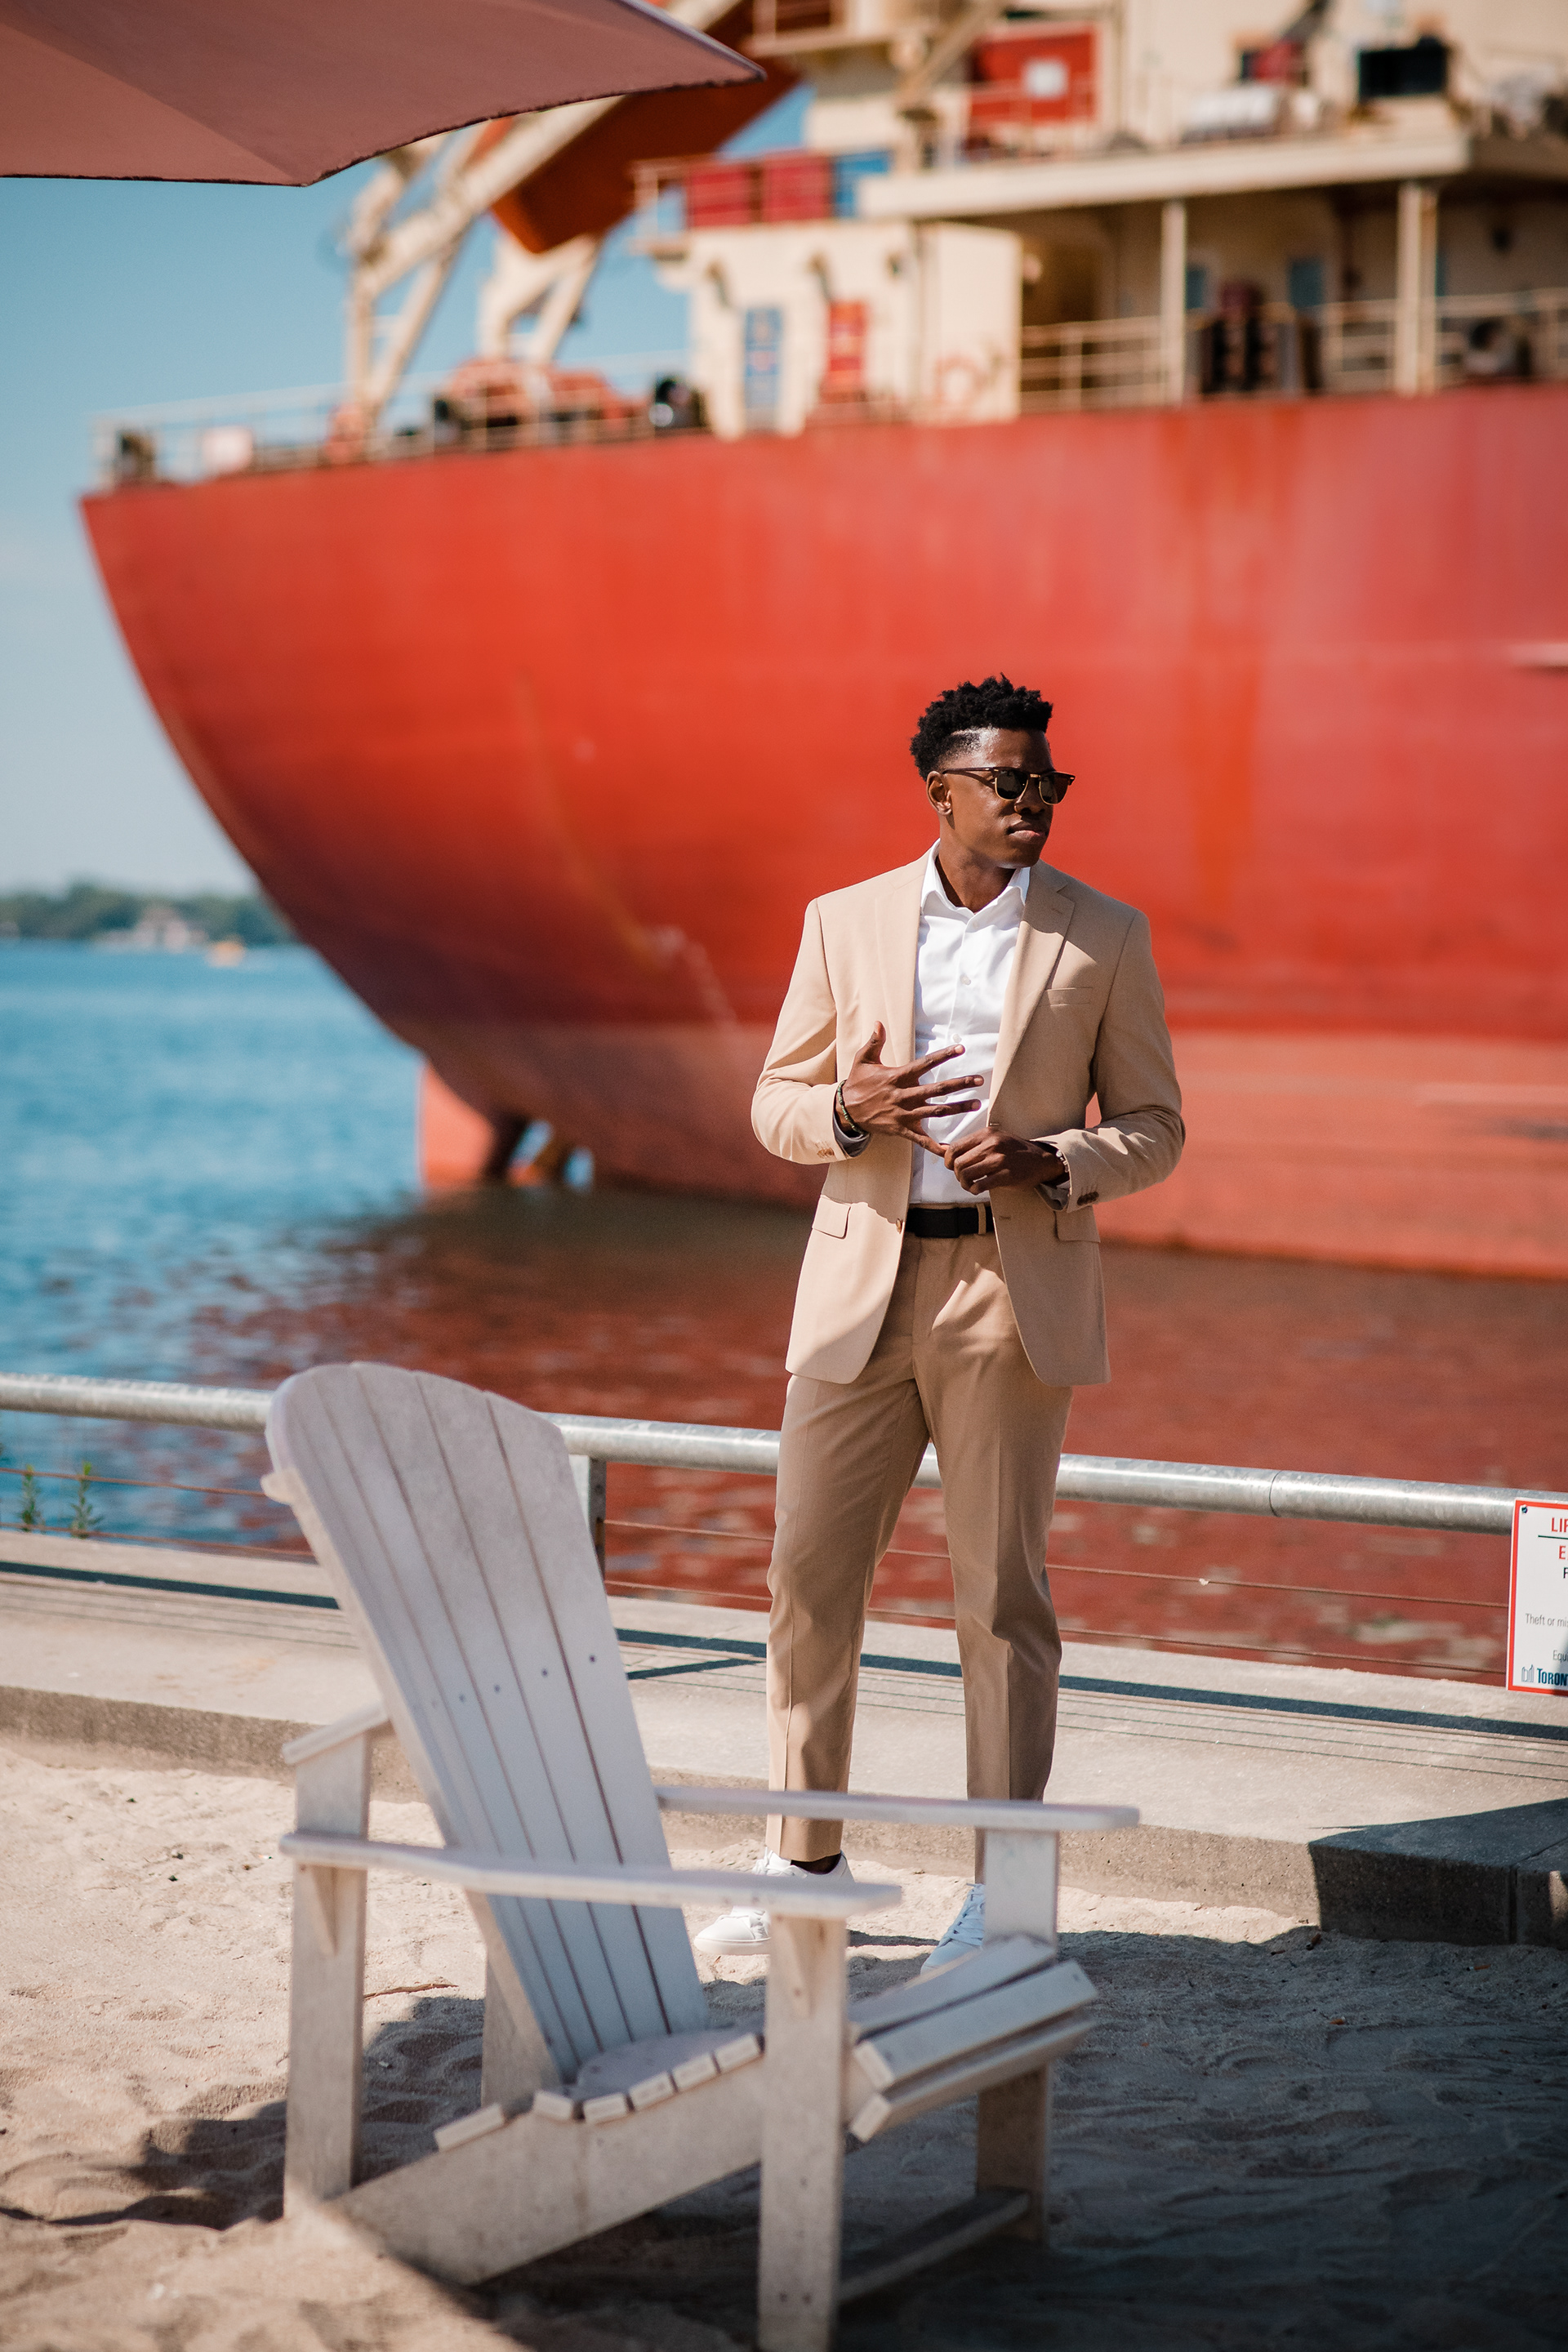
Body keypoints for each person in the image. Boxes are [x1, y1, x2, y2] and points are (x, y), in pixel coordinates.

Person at [695, 675, 1184, 1971]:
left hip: (1006, 1296)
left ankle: (1000, 1899)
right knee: (807, 1580)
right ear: (940, 792)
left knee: (1000, 1602)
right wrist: (847, 1111)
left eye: (1048, 783)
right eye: (1007, 781)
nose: (1034, 802)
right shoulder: (843, 920)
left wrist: (1057, 1158)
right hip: (859, 1289)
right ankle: (801, 1867)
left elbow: (1157, 1129)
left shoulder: (1104, 936)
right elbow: (775, 1103)